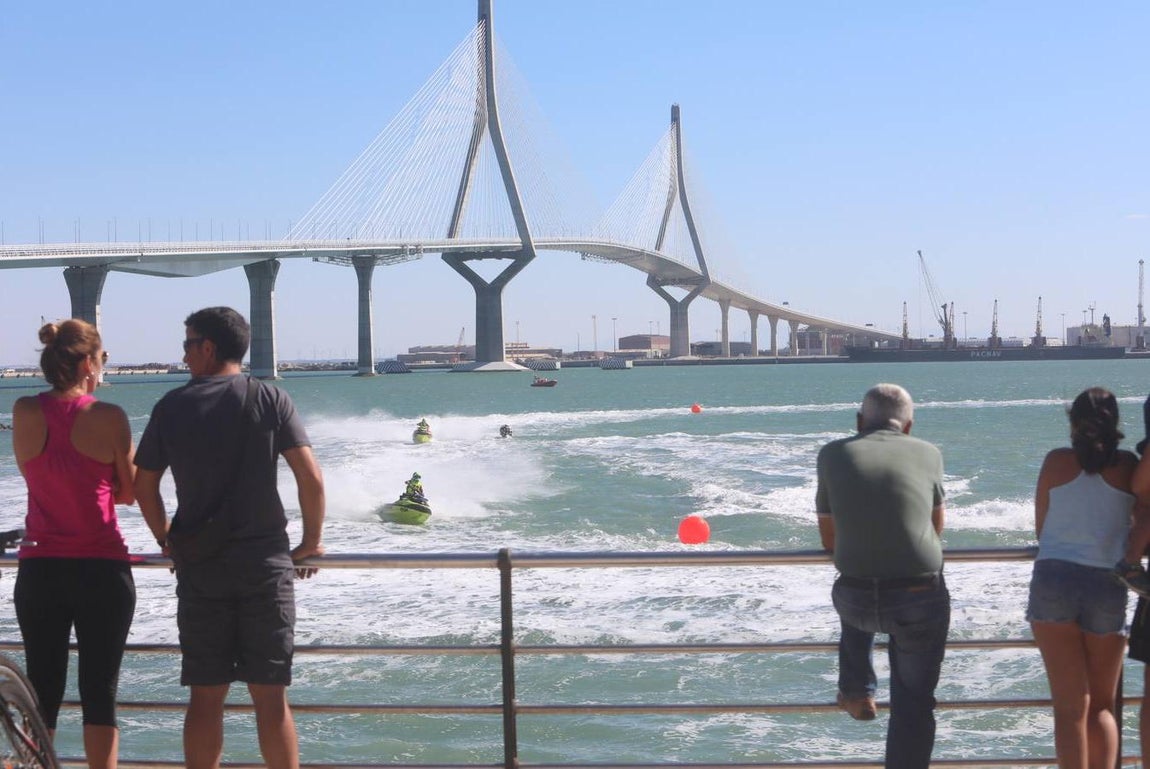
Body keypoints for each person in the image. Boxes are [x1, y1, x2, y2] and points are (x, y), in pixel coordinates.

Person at [133, 307, 325, 769]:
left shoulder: (171, 406)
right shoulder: (272, 399)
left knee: (205, 698)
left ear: (208, 348)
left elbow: (144, 486)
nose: (183, 355)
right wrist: (311, 542)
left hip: (200, 568)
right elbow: (311, 479)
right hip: (265, 566)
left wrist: (166, 540)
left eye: (186, 345)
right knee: (271, 699)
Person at [11, 320, 136, 769]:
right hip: (102, 567)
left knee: (42, 690)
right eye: (102, 359)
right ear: (88, 363)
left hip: (40, 569)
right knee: (99, 691)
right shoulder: (108, 416)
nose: (103, 367)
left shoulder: (24, 410)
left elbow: (35, 472)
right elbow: (127, 492)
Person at [815, 383, 949, 769]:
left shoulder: (833, 454)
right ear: (908, 427)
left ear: (859, 422)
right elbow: (935, 527)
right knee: (914, 700)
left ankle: (858, 690)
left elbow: (829, 538)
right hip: (919, 594)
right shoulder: (928, 453)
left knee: (853, 585)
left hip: (857, 599)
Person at [1028, 387, 1137, 769]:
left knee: (1070, 708)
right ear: (1115, 422)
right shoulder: (1128, 466)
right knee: (1103, 706)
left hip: (1054, 579)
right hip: (1107, 584)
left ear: (1072, 421)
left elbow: (1042, 530)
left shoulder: (1055, 461)